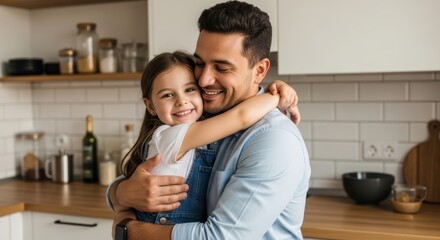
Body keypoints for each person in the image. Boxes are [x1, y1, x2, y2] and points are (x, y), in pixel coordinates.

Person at [109, 1, 310, 239]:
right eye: (200, 63)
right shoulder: (199, 115)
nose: (203, 80)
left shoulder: (274, 140)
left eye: (222, 68)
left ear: (259, 70)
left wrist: (129, 230)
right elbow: (132, 181)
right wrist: (122, 193)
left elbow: (219, 237)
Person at [123, 50, 280, 225]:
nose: (181, 101)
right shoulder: (168, 137)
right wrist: (277, 95)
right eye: (167, 95)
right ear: (150, 106)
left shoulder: (201, 129)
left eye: (190, 89)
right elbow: (241, 117)